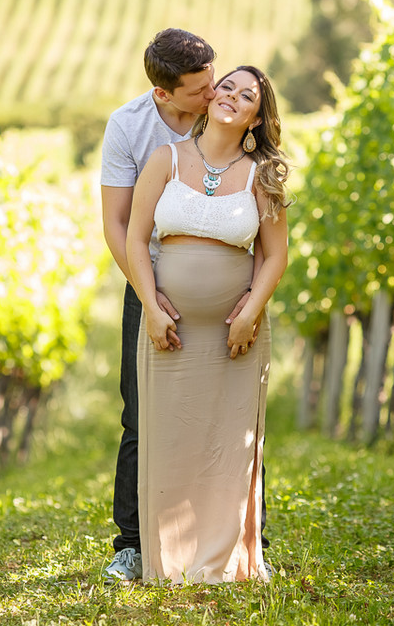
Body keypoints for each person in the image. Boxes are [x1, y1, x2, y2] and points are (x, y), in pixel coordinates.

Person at [100, 28, 256, 581]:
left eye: (216, 80)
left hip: (227, 297)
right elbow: (117, 224)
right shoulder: (130, 127)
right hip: (149, 279)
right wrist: (150, 297)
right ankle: (133, 545)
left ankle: (244, 538)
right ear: (163, 94)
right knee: (141, 413)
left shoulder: (228, 117)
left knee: (235, 415)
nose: (215, 94)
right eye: (201, 89)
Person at [124, 65, 291, 583]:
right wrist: (151, 308)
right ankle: (169, 561)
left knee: (229, 442)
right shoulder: (166, 159)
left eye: (247, 96)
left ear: (256, 118)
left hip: (235, 336)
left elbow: (275, 256)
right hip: (169, 333)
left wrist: (250, 314)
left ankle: (223, 560)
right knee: (169, 441)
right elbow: (135, 240)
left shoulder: (262, 175)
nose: (232, 97)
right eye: (228, 87)